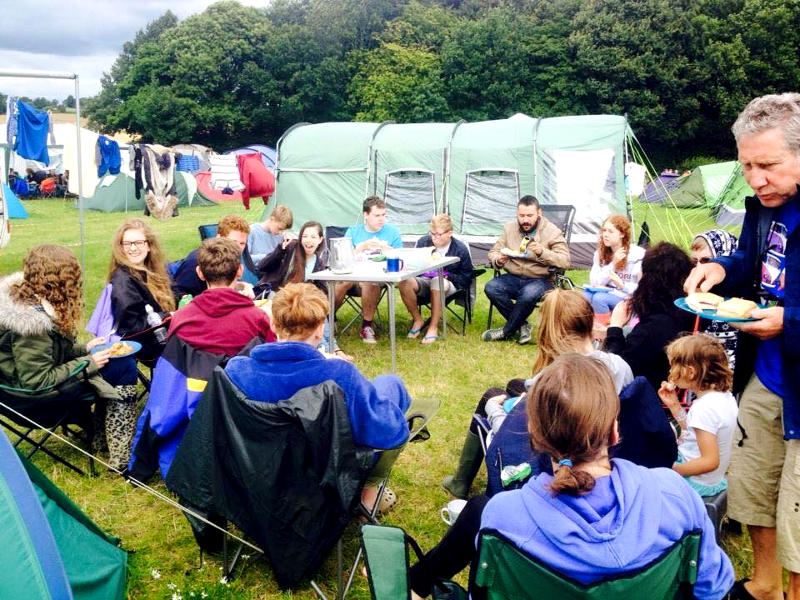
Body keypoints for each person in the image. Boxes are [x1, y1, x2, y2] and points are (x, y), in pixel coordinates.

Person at [410, 354, 733, 599]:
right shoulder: (674, 496)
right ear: (615, 430)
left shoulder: (503, 517)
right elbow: (712, 588)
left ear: (534, 437)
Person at [684, 93, 800, 600]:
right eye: (747, 165)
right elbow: (754, 261)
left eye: (768, 165)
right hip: (765, 376)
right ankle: (764, 585)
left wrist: (791, 321)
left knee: (798, 514)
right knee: (752, 491)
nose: (755, 180)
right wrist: (722, 268)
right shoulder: (764, 208)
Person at [225, 283, 412, 513]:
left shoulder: (237, 370)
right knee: (390, 384)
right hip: (328, 472)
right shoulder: (339, 375)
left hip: (261, 471)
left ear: (273, 324)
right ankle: (369, 493)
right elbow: (387, 432)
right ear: (320, 330)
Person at [442, 288, 632, 499]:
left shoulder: (547, 382)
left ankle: (460, 482)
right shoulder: (619, 366)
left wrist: (493, 409)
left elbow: (521, 436)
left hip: (563, 452)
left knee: (491, 395)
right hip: (605, 449)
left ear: (549, 330)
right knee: (514, 385)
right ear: (589, 322)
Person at [0, 245, 139, 471]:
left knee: (116, 362)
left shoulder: (27, 304)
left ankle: (103, 437)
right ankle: (120, 453)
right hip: (34, 402)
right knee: (122, 366)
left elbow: (49, 355)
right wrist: (88, 363)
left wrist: (84, 349)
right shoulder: (31, 325)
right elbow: (37, 381)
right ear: (60, 281)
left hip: (18, 392)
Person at [602, 241, 695, 391]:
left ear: (650, 279)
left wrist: (615, 327)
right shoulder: (685, 311)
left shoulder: (653, 328)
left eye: (642, 270)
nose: (638, 275)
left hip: (644, 395)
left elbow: (618, 371)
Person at [254, 221, 352, 360]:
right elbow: (262, 266)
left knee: (319, 311)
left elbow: (320, 289)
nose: (308, 240)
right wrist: (280, 250)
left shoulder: (320, 260)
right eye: (305, 236)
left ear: (320, 239)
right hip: (281, 295)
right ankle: (328, 350)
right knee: (312, 311)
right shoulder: (290, 248)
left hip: (302, 298)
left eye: (313, 237)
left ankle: (334, 348)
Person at [482, 195, 570, 344]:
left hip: (541, 279)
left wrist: (543, 252)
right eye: (521, 216)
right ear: (517, 214)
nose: (525, 220)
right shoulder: (509, 228)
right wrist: (499, 259)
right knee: (491, 287)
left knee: (528, 294)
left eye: (530, 215)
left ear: (539, 213)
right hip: (514, 276)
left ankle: (506, 331)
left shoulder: (552, 231)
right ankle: (522, 325)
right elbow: (493, 252)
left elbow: (565, 260)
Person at [658, 334, 738, 497]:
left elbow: (709, 461)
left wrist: (671, 471)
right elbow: (696, 434)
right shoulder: (723, 398)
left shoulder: (705, 408)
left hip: (695, 482)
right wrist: (675, 406)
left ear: (690, 372)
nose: (670, 371)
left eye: (673, 366)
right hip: (711, 480)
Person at [167, 237, 276, 356]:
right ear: (240, 271)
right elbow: (271, 356)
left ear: (200, 273)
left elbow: (173, 360)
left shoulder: (181, 318)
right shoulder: (258, 319)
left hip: (195, 373)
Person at [334, 196, 403, 344]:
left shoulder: (392, 232)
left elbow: (401, 257)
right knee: (341, 281)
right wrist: (361, 247)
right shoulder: (353, 232)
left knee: (369, 282)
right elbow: (342, 259)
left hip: (378, 276)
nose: (381, 219)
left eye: (384, 215)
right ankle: (327, 320)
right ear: (366, 215)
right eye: (377, 215)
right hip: (353, 275)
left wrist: (385, 248)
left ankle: (366, 326)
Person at [108, 218, 176, 364]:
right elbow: (130, 326)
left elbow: (170, 296)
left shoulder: (153, 269)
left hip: (165, 333)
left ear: (149, 245)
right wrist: (168, 315)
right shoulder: (123, 281)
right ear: (120, 247)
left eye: (138, 243)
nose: (133, 248)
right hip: (147, 344)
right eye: (127, 244)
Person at [398, 214, 473, 345]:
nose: (434, 237)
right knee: (404, 282)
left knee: (437, 281)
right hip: (424, 280)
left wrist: (446, 275)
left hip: (448, 284)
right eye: (432, 233)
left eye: (438, 234)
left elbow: (466, 278)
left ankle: (433, 327)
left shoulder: (460, 249)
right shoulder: (423, 242)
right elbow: (414, 267)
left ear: (450, 233)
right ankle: (417, 320)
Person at [690, 230, 739, 370]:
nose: (700, 267)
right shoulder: (698, 294)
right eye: (695, 261)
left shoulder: (741, 300)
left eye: (706, 260)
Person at [171, 214, 251, 300]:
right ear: (219, 237)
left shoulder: (233, 258)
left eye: (242, 243)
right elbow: (177, 293)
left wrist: (242, 286)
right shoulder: (198, 260)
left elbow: (222, 285)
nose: (237, 248)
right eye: (233, 242)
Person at [583, 214, 644, 322]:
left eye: (610, 231)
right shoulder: (599, 254)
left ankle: (603, 333)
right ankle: (585, 330)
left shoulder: (637, 255)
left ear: (622, 234)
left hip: (628, 296)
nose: (605, 235)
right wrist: (613, 264)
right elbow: (594, 282)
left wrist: (622, 285)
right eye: (604, 230)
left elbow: (642, 288)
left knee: (599, 299)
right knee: (585, 296)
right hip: (607, 292)